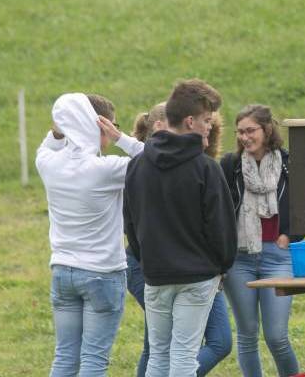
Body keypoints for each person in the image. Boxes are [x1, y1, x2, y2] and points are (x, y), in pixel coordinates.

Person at [124, 79, 237, 377]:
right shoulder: (205, 168)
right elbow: (222, 228)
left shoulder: (137, 165)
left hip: (156, 273)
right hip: (197, 275)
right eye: (207, 120)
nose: (210, 127)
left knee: (159, 355)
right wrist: (221, 265)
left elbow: (131, 223)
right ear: (190, 121)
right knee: (184, 357)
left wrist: (147, 259)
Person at [38, 93, 143, 376]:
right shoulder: (105, 168)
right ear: (100, 125)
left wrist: (61, 127)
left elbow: (47, 146)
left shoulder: (49, 164)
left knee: (64, 358)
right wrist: (122, 138)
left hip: (62, 271)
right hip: (102, 273)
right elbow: (157, 161)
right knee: (94, 361)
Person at [220, 104, 303, 377]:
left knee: (277, 336)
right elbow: (220, 210)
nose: (245, 137)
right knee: (247, 335)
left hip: (277, 257)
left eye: (250, 130)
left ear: (267, 130)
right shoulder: (231, 165)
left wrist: (289, 236)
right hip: (239, 259)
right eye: (240, 132)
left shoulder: (289, 163)